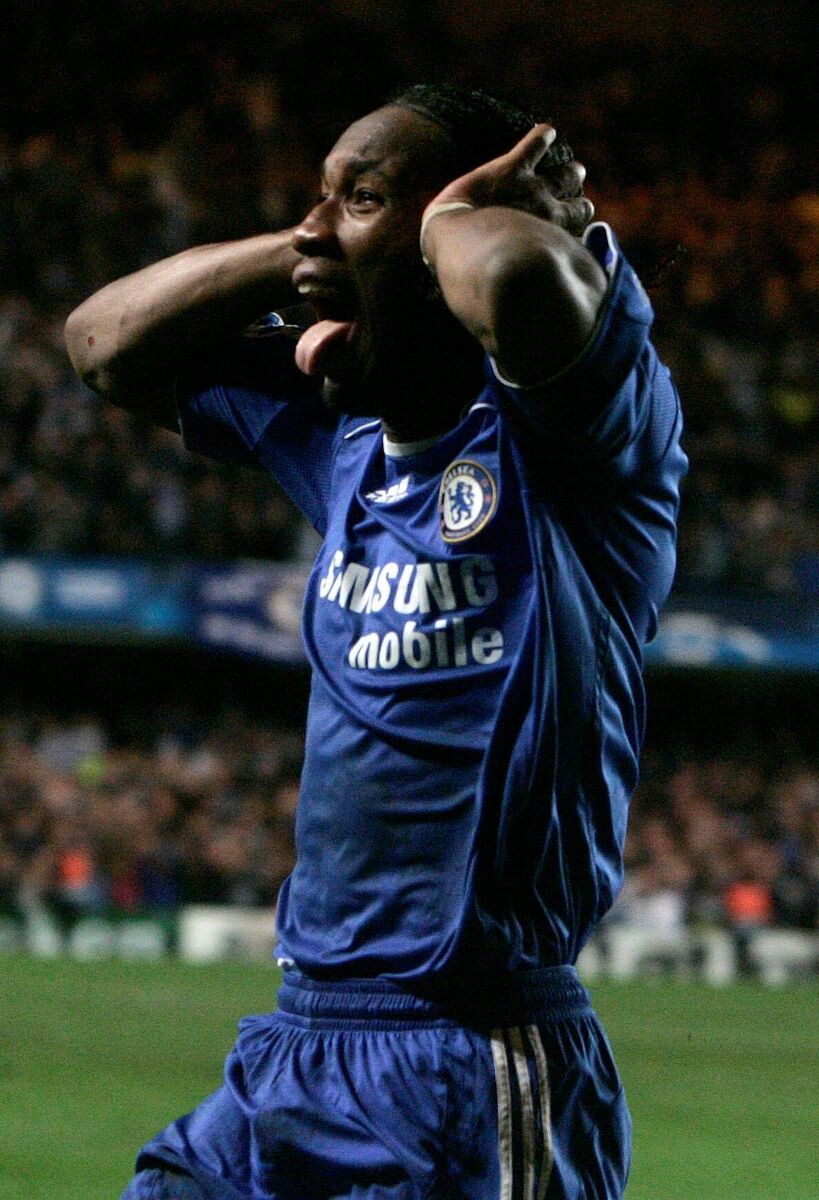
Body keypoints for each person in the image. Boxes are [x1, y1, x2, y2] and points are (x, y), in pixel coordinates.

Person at [65, 84, 687, 1200]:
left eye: (362, 198)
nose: (318, 232)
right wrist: (310, 242)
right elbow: (104, 344)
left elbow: (518, 283)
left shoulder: (583, 443)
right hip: (296, 1048)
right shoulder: (337, 434)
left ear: (452, 227)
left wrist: (450, 218)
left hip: (472, 1061)